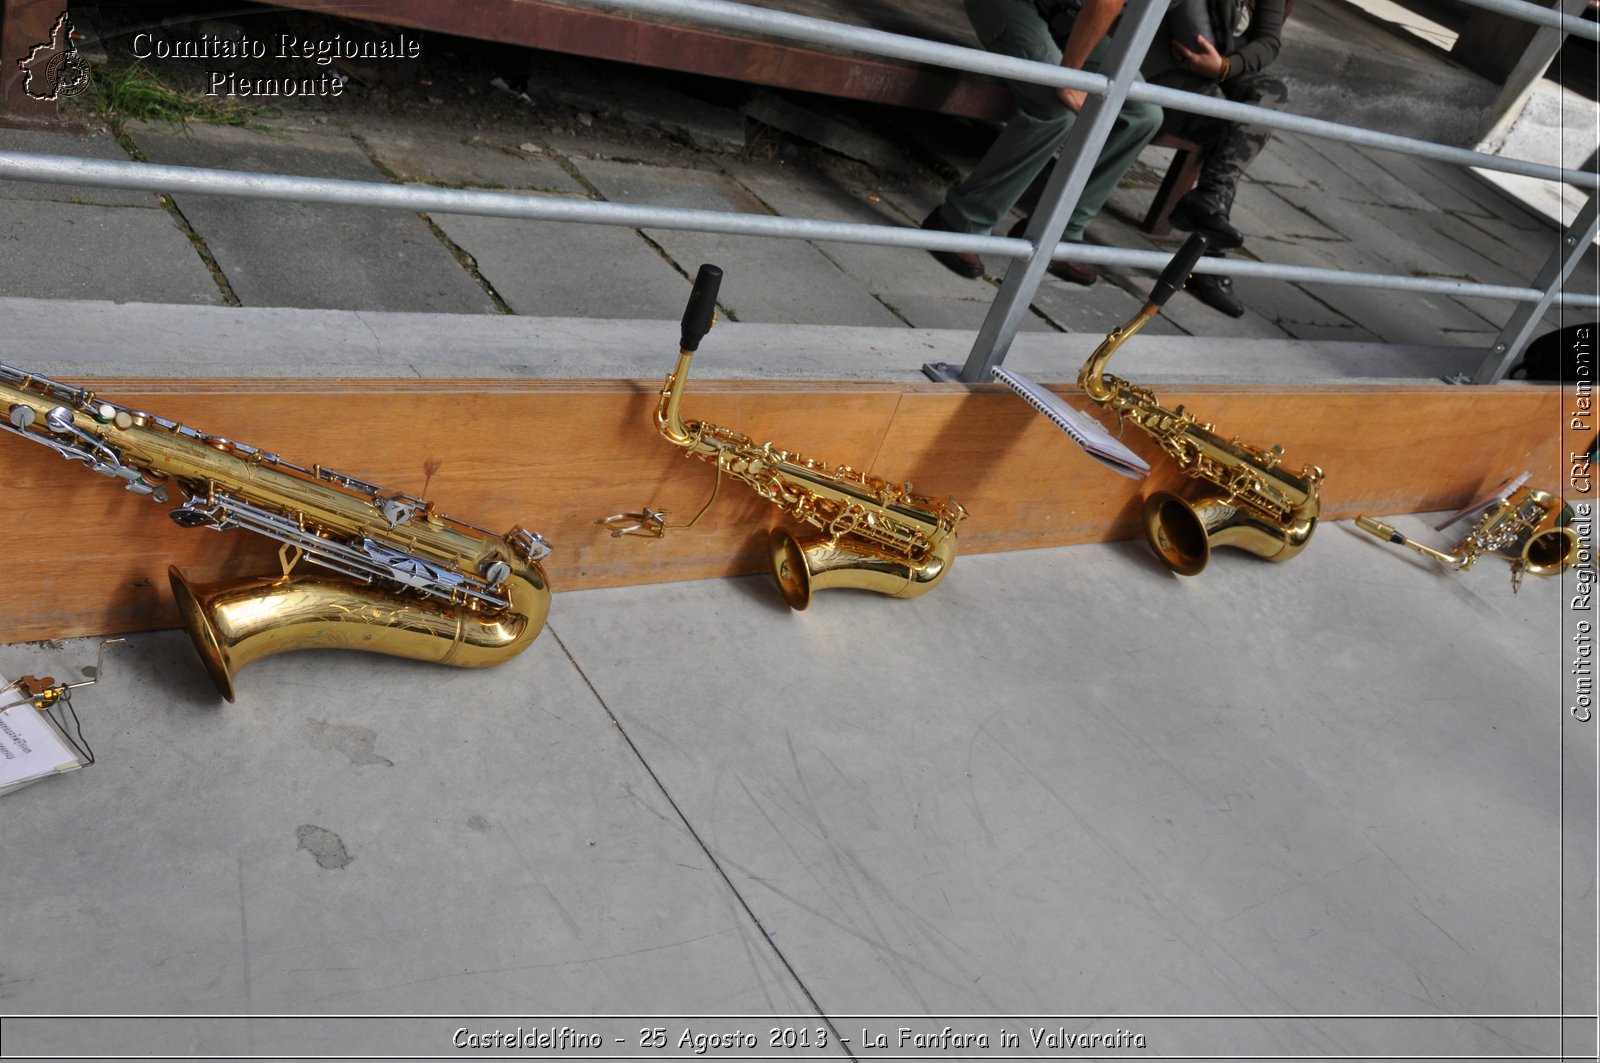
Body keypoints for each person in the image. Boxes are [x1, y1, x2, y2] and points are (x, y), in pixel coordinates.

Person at [922, 0, 1163, 286]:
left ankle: (1057, 230)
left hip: (1067, 12)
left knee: (1144, 114)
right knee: (1056, 108)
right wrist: (1068, 76)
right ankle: (961, 222)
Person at [1143, 0, 1288, 316]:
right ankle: (1208, 256)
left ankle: (1210, 202)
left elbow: (1269, 41)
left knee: (1271, 91)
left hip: (1220, 65)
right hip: (1166, 60)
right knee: (1232, 128)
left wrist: (1225, 66)